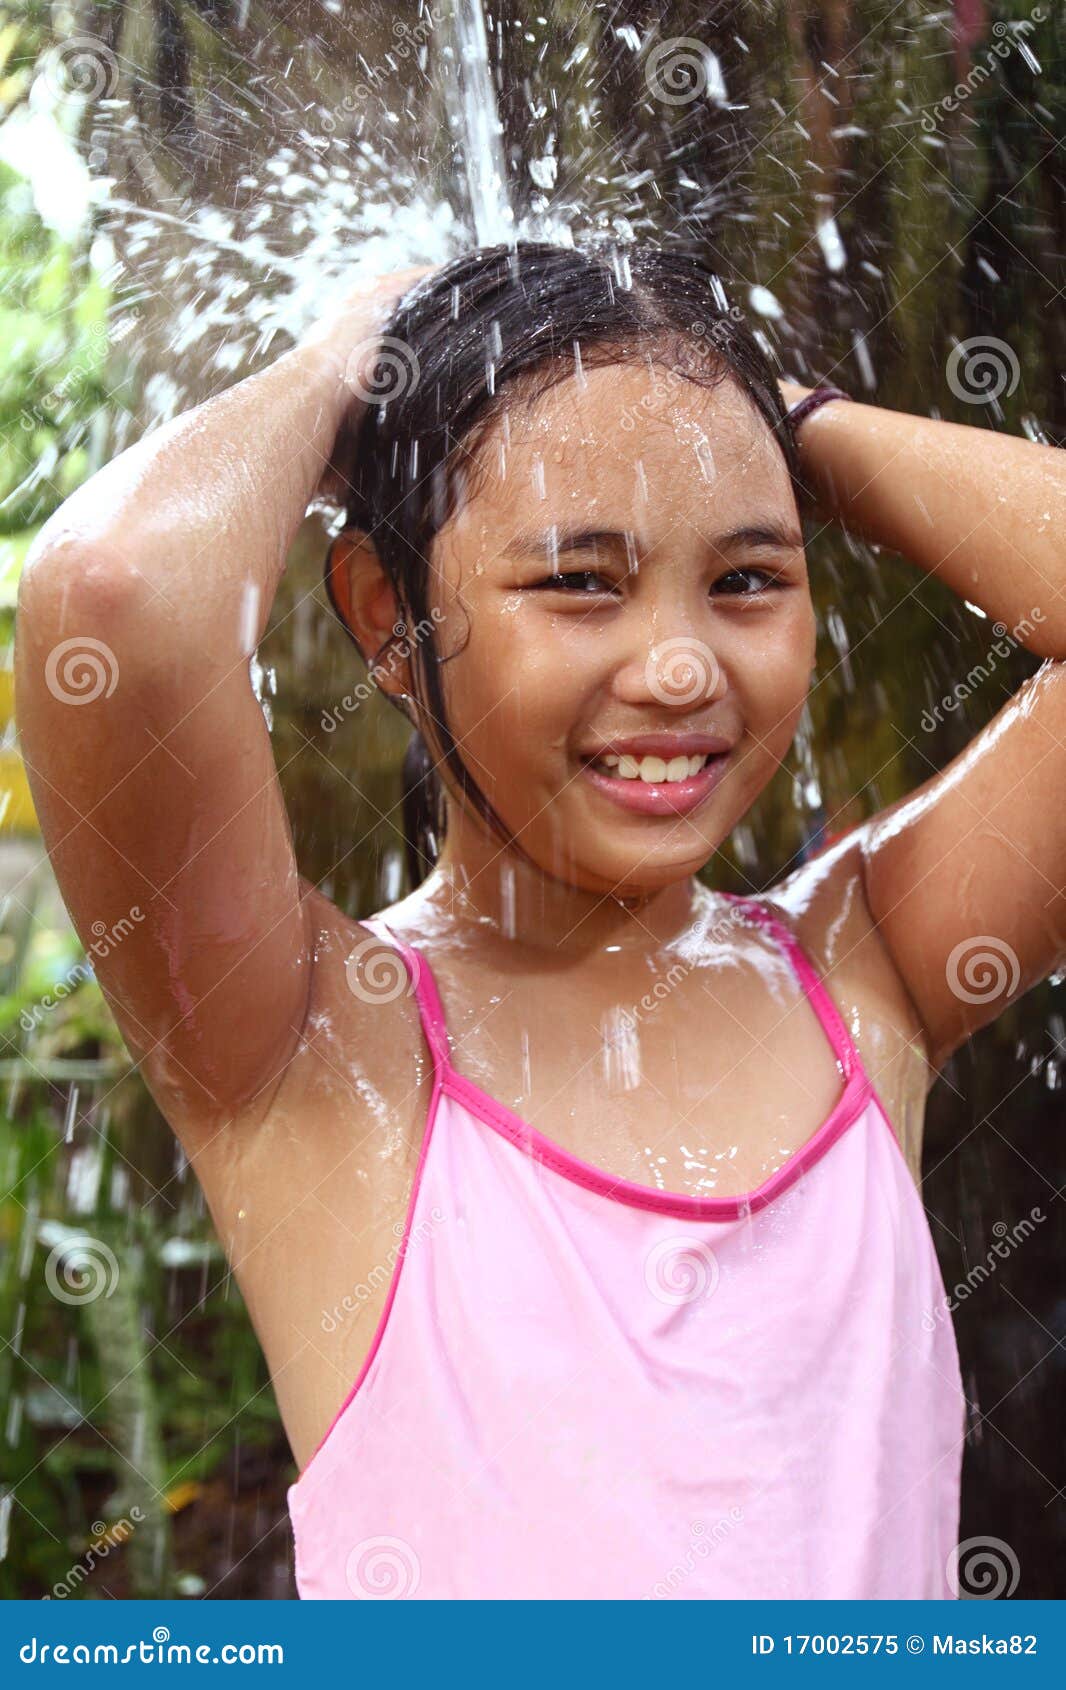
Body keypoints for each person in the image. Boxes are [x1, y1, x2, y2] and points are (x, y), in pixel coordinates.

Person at [15, 242, 1065, 1600]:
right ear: (388, 621)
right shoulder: (321, 1052)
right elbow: (114, 596)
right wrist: (358, 354)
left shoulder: (865, 969)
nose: (682, 664)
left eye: (748, 578)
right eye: (580, 581)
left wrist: (782, 424)